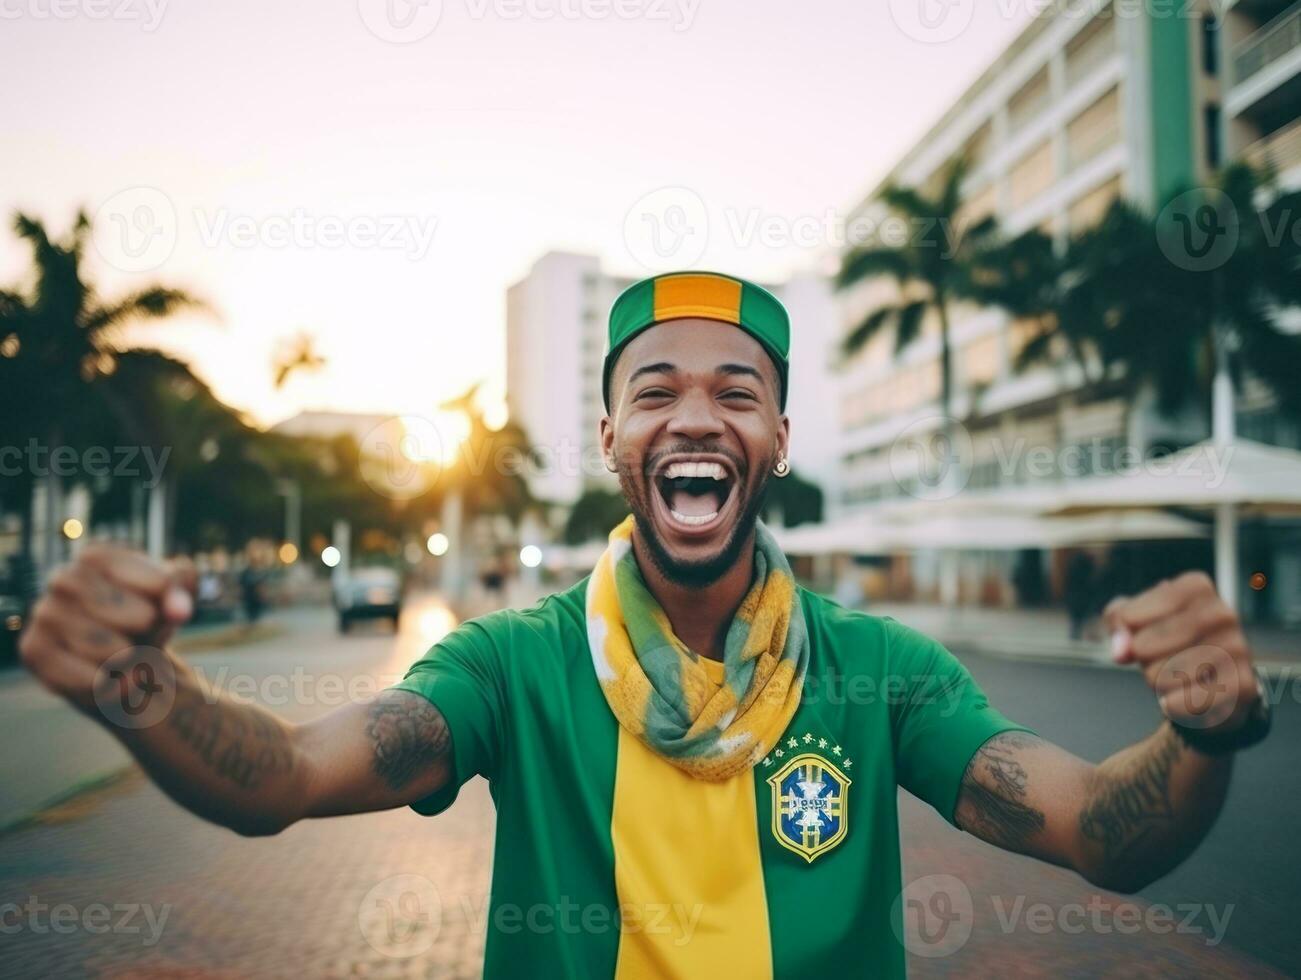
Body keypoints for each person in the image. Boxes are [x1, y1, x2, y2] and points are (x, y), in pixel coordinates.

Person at [19, 272, 1272, 979]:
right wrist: (142, 690)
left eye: (738, 391)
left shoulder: (881, 670)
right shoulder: (512, 665)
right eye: (651, 390)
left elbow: (1101, 831)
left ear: (776, 440)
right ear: (612, 439)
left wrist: (1200, 730)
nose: (693, 416)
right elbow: (283, 778)